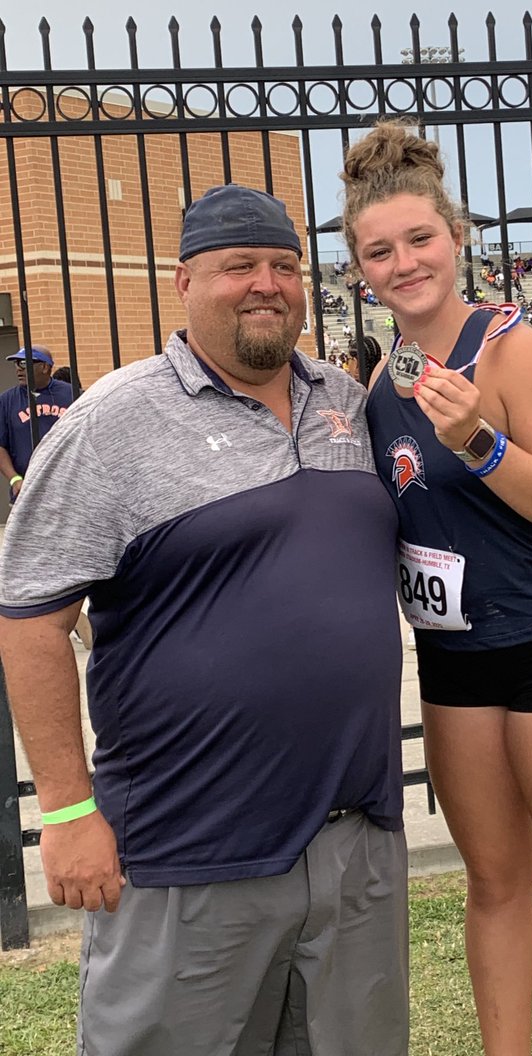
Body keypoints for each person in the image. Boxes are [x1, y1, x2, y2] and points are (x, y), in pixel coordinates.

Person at [0, 184, 408, 1056]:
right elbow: (31, 615)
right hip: (190, 849)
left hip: (353, 842)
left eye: (285, 266)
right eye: (238, 267)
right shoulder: (111, 421)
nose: (267, 284)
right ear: (184, 281)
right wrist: (68, 813)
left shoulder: (345, 403)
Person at [342, 121, 532, 1056]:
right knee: (493, 884)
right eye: (379, 251)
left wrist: (481, 444)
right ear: (361, 268)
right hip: (457, 663)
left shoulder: (511, 353)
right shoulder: (381, 381)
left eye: (419, 240)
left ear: (457, 235)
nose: (404, 264)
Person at [0, 345, 74, 503]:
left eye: (24, 364)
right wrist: (14, 479)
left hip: (68, 490)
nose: (18, 369)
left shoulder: (72, 394)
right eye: (16, 363)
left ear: (45, 367)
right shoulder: (6, 401)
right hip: (27, 491)